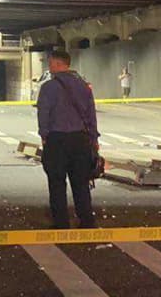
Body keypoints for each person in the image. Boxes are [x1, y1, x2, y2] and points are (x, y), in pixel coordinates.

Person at [36, 49, 98, 229]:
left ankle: (61, 222)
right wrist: (93, 138)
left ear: (57, 64)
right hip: (80, 140)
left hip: (57, 140)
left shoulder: (48, 87)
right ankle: (86, 220)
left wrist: (44, 135)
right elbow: (90, 114)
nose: (50, 66)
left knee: (57, 183)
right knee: (81, 183)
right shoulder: (83, 86)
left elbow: (44, 113)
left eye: (51, 63)